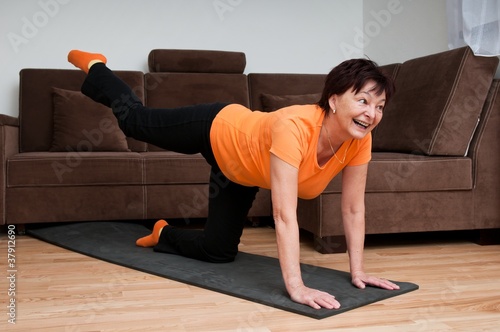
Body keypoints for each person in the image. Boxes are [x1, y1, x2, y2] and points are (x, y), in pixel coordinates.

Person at [67, 50, 400, 310]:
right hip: (218, 128)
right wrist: (295, 286)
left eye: (380, 106)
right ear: (333, 100)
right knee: (136, 123)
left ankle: (163, 234)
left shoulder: (360, 139)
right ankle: (96, 66)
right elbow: (284, 215)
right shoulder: (295, 128)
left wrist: (358, 271)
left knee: (219, 251)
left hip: (238, 172)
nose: (372, 114)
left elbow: (354, 209)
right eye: (363, 101)